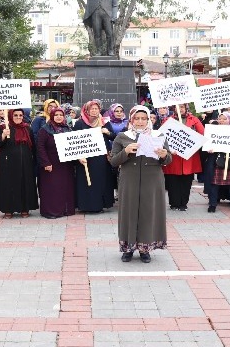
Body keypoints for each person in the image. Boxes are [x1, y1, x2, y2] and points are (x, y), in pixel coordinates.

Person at [110, 105, 171, 263]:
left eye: (144, 118)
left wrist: (164, 155)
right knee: (128, 212)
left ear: (149, 119)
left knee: (148, 212)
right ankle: (128, 249)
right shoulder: (122, 136)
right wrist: (126, 151)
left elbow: (168, 160)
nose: (140, 121)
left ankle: (145, 249)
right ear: (131, 119)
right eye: (137, 118)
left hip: (152, 180)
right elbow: (113, 160)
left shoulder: (158, 135)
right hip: (129, 179)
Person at [0, 109, 39, 218]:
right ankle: (8, 209)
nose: (18, 117)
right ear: (10, 116)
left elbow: (33, 146)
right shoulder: (3, 128)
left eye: (20, 115)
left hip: (25, 162)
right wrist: (3, 135)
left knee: (25, 184)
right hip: (8, 162)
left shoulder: (27, 128)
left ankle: (25, 208)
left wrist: (35, 160)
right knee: (9, 185)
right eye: (15, 115)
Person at [73, 100, 116, 213]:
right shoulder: (80, 123)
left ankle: (99, 205)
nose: (94, 111)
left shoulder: (104, 122)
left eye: (96, 108)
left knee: (100, 180)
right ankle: (86, 205)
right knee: (86, 181)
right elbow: (74, 141)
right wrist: (78, 156)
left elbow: (113, 137)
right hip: (85, 159)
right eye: (92, 109)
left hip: (101, 158)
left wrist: (107, 132)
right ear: (87, 110)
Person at [162, 103, 205, 211]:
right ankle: (174, 203)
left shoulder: (194, 120)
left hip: (189, 158)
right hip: (173, 157)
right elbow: (162, 136)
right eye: (177, 107)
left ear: (186, 108)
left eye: (182, 107)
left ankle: (183, 203)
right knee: (172, 182)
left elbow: (202, 134)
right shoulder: (168, 120)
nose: (180, 109)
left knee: (186, 182)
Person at [37, 107, 76, 219]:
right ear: (52, 116)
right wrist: (46, 163)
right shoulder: (44, 130)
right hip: (51, 164)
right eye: (56, 115)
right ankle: (52, 211)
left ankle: (65, 210)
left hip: (65, 165)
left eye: (61, 115)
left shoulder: (68, 129)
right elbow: (40, 147)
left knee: (65, 187)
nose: (59, 117)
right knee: (52, 188)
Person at [206, 112, 230, 213]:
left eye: (224, 119)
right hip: (217, 161)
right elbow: (206, 143)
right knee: (214, 183)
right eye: (220, 119)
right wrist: (209, 149)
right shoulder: (213, 130)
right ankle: (212, 204)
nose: (222, 121)